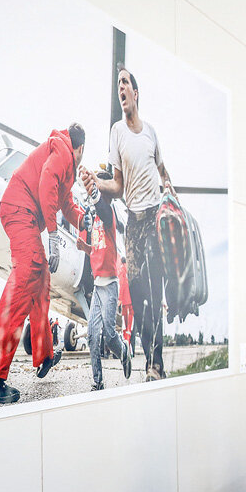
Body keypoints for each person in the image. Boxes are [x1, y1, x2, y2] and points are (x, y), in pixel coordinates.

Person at [0, 124, 90, 404]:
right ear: (80, 148)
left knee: (41, 277)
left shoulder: (65, 168)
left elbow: (67, 204)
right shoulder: (62, 151)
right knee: (26, 276)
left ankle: (44, 355)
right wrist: (54, 234)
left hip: (25, 214)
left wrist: (84, 220)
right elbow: (46, 183)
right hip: (20, 210)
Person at [86, 64, 176, 381]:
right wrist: (96, 183)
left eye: (125, 82)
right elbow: (117, 186)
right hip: (134, 225)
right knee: (137, 298)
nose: (121, 87)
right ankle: (149, 357)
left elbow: (163, 172)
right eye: (118, 85)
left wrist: (171, 191)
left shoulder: (150, 132)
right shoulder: (117, 132)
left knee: (154, 290)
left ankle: (155, 364)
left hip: (155, 220)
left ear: (135, 93)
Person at [84, 172, 133, 391]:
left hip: (111, 285)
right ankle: (98, 382)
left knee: (110, 335)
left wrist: (94, 188)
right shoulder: (95, 219)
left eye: (99, 188)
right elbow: (98, 249)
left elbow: (101, 206)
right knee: (92, 335)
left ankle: (124, 352)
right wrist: (84, 248)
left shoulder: (108, 214)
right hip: (97, 286)